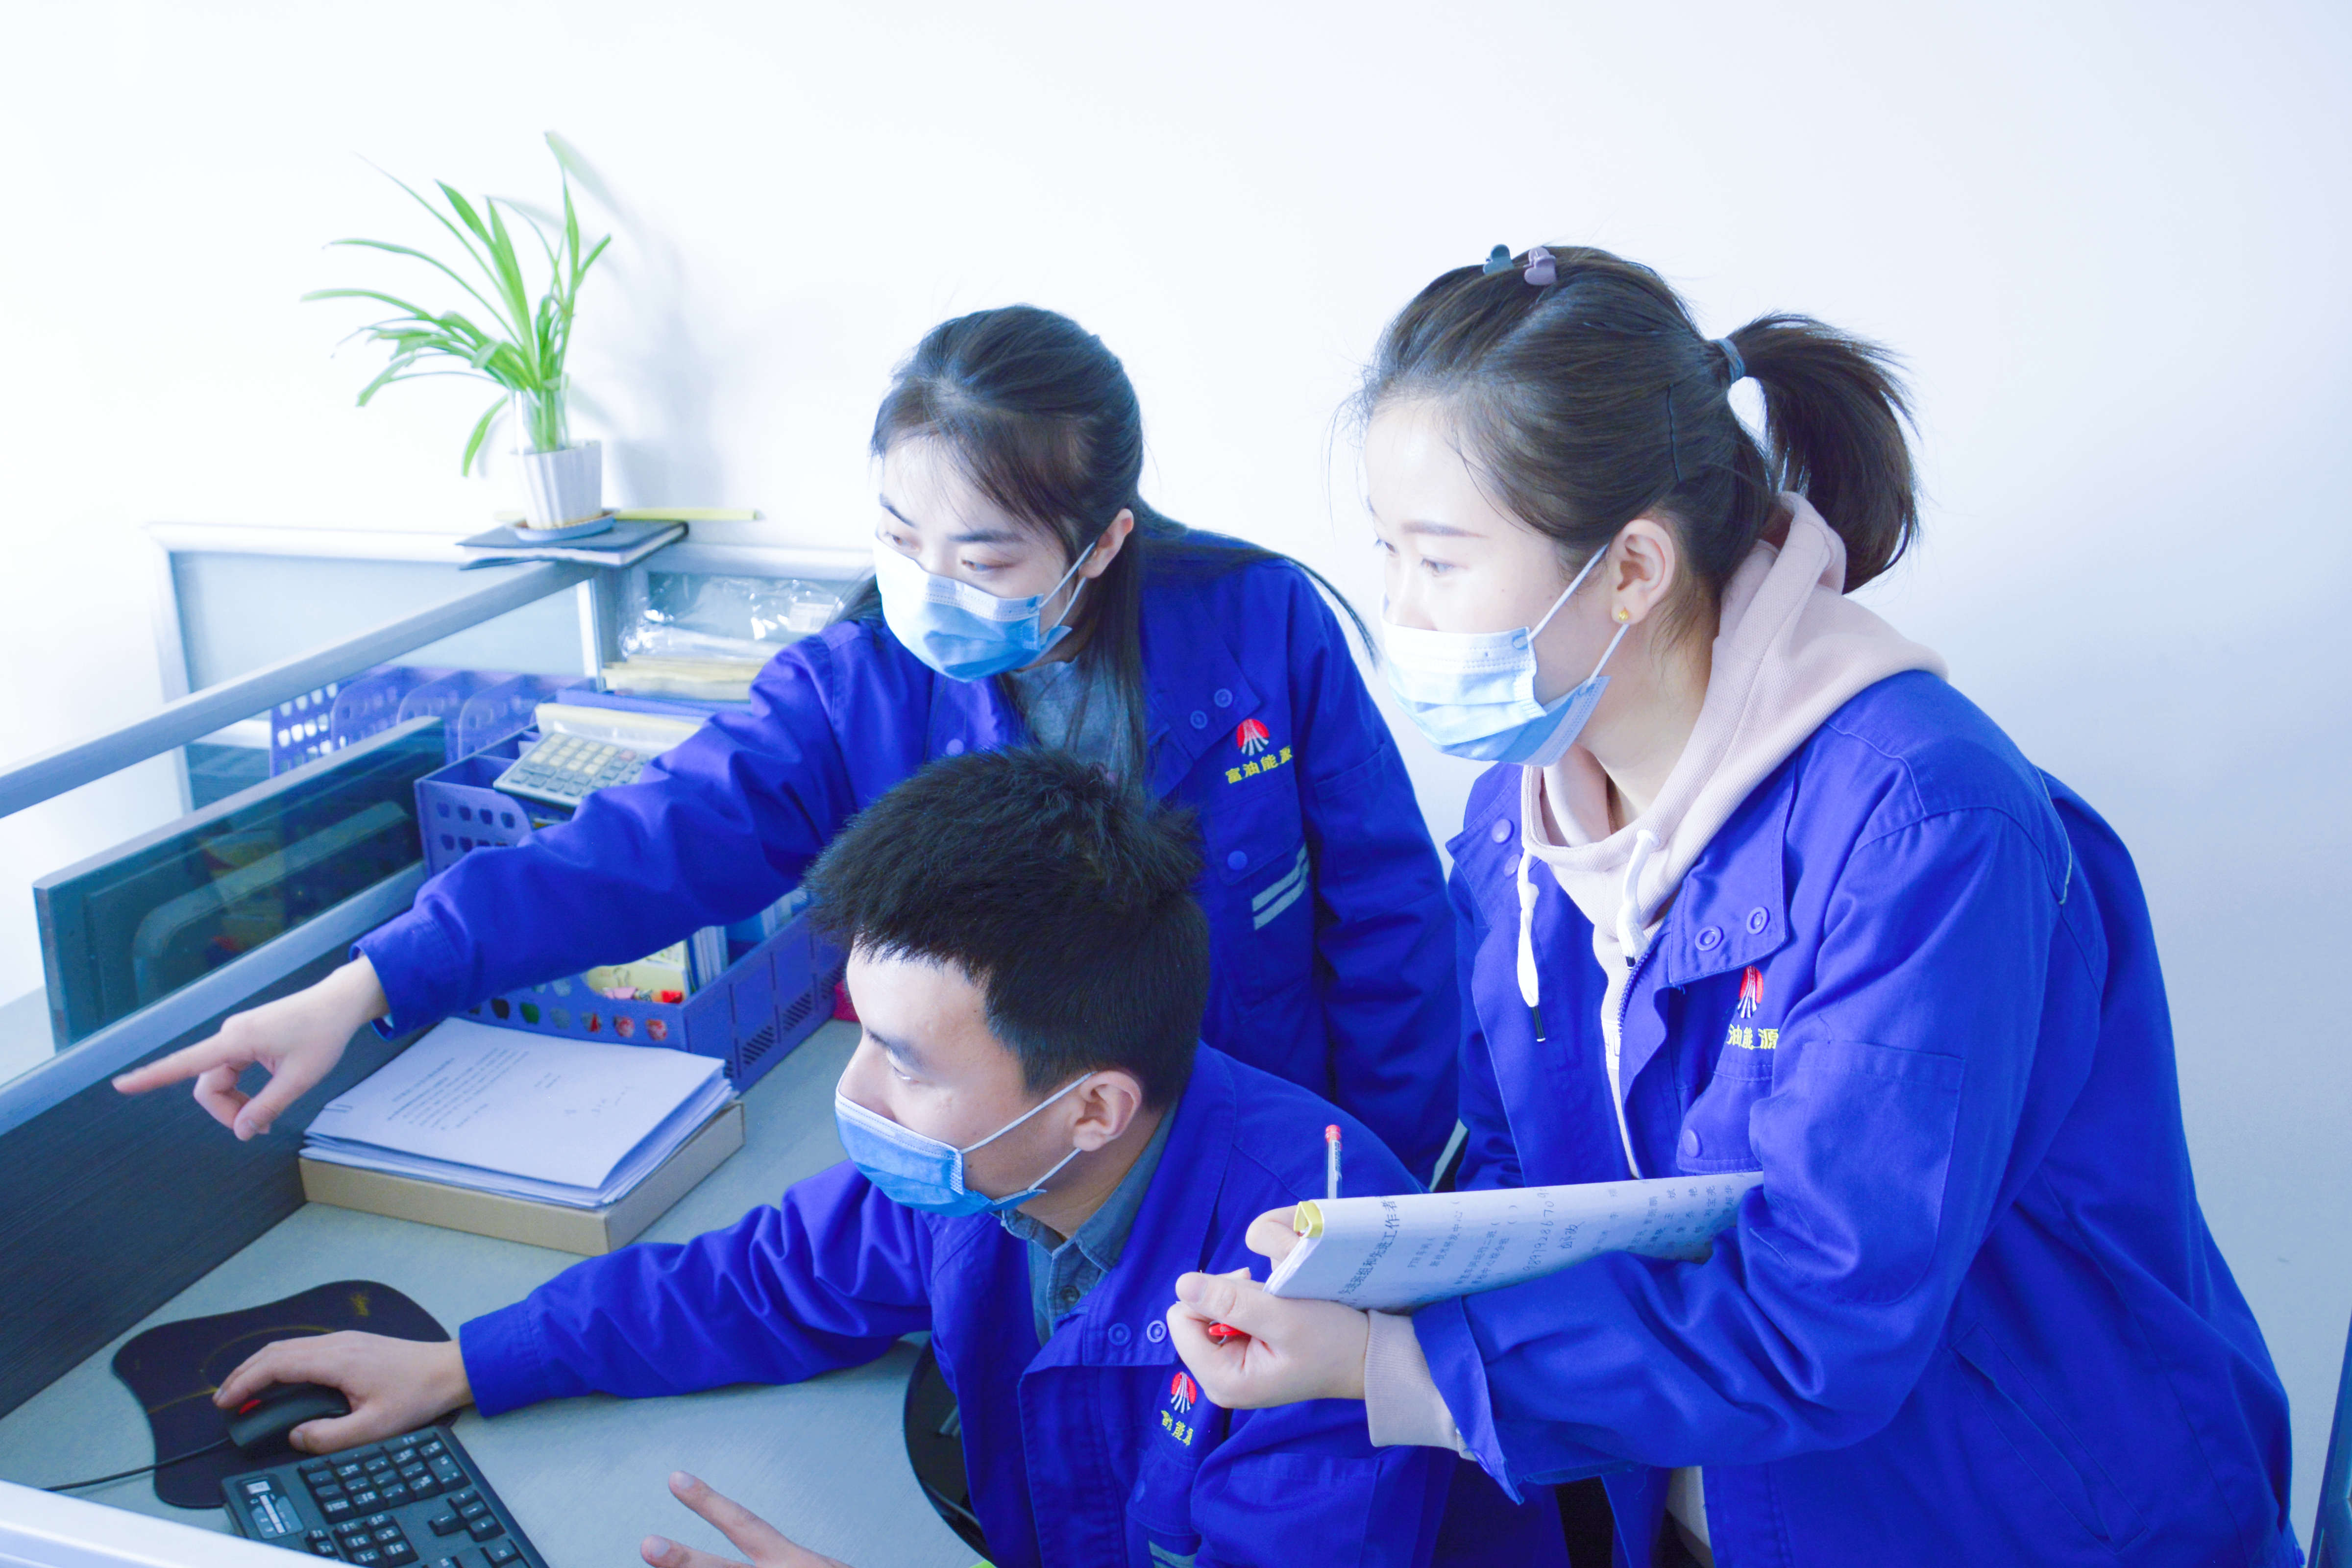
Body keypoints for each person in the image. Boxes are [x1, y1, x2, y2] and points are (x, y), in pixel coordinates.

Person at [1158, 245, 2299, 1568]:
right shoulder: (1520, 818)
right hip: (1713, 1511)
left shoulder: (1927, 826)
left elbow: (1823, 1321)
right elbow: (1525, 1183)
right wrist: (1371, 1282)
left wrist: (1396, 1368)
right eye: (1387, 552)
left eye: (1440, 561)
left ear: (1632, 569)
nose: (1398, 612)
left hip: (2021, 1520)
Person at [116, 305, 1459, 1180]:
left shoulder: (1258, 627)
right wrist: (366, 984)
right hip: (1011, 1168)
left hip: (1256, 1153)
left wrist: (1375, 1188)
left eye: (985, 556)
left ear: (1100, 543)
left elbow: (1390, 918)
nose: (932, 585)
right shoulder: (856, 685)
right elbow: (639, 847)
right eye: (900, 538)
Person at [203, 749, 1549, 1568]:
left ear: (1090, 1109)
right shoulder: (992, 1169)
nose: (856, 1093)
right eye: (863, 1033)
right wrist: (464, 1363)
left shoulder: (1321, 1285)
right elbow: (758, 1283)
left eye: (905, 1059)